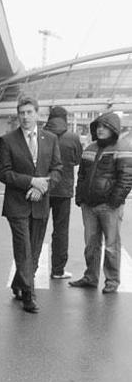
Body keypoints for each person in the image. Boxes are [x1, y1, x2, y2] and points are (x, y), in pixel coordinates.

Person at [0, 96, 61, 313]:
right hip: (17, 204)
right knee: (23, 249)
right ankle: (29, 294)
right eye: (21, 113)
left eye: (29, 112)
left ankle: (19, 283)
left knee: (34, 250)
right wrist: (31, 182)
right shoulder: (8, 140)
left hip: (40, 202)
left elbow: (57, 170)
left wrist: (42, 187)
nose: (25, 117)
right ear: (18, 115)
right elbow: (4, 173)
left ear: (37, 113)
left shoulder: (50, 139)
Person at [69, 112, 132, 294]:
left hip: (109, 206)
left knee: (111, 245)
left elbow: (126, 178)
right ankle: (91, 277)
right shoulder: (90, 148)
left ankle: (112, 280)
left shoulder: (122, 147)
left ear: (113, 129)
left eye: (104, 126)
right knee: (91, 245)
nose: (100, 129)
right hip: (89, 206)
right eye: (98, 126)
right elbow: (81, 175)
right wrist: (80, 197)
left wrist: (114, 202)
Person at [43, 106, 83, 279]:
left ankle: (31, 270)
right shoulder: (72, 138)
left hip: (43, 188)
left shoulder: (41, 135)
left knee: (36, 230)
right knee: (61, 231)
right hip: (63, 190)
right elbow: (78, 160)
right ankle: (58, 270)